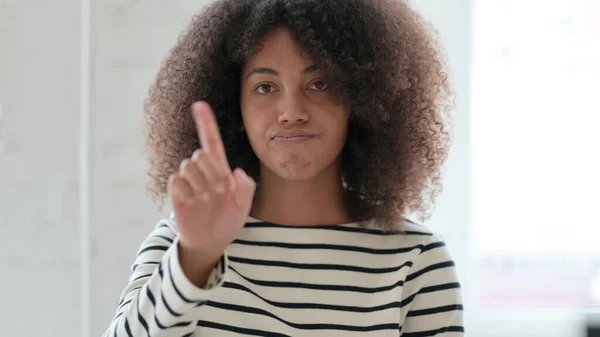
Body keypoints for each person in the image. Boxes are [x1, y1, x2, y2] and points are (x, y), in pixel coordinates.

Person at [102, 0, 463, 336]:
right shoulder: (181, 246)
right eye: (265, 87)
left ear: (361, 98)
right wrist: (196, 259)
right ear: (235, 107)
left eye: (319, 84)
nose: (291, 111)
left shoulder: (416, 260)